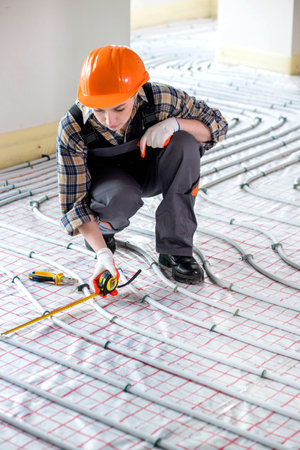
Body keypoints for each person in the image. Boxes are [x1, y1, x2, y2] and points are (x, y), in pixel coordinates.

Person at [56, 45, 228, 290]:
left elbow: (218, 125)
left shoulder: (161, 99)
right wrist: (103, 254)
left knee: (185, 143)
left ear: (136, 91)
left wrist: (176, 124)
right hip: (110, 185)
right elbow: (74, 204)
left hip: (153, 170)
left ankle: (175, 251)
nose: (110, 121)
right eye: (99, 111)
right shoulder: (73, 127)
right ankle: (103, 230)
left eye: (119, 108)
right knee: (119, 198)